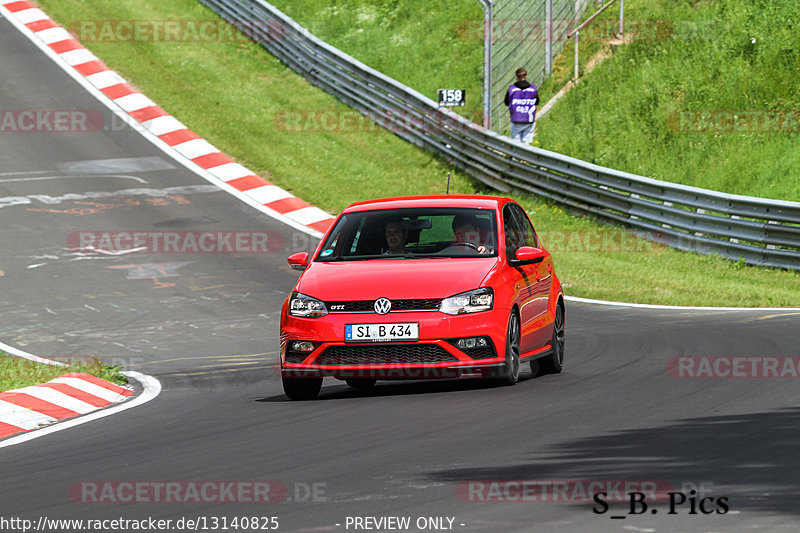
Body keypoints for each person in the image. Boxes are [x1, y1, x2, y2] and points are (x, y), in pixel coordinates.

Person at [504, 67, 539, 144]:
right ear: (526, 76)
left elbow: (506, 102)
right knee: (527, 142)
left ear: (517, 77)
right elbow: (537, 102)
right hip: (529, 120)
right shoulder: (533, 89)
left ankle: (516, 155)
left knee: (516, 143)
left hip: (516, 119)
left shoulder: (511, 89)